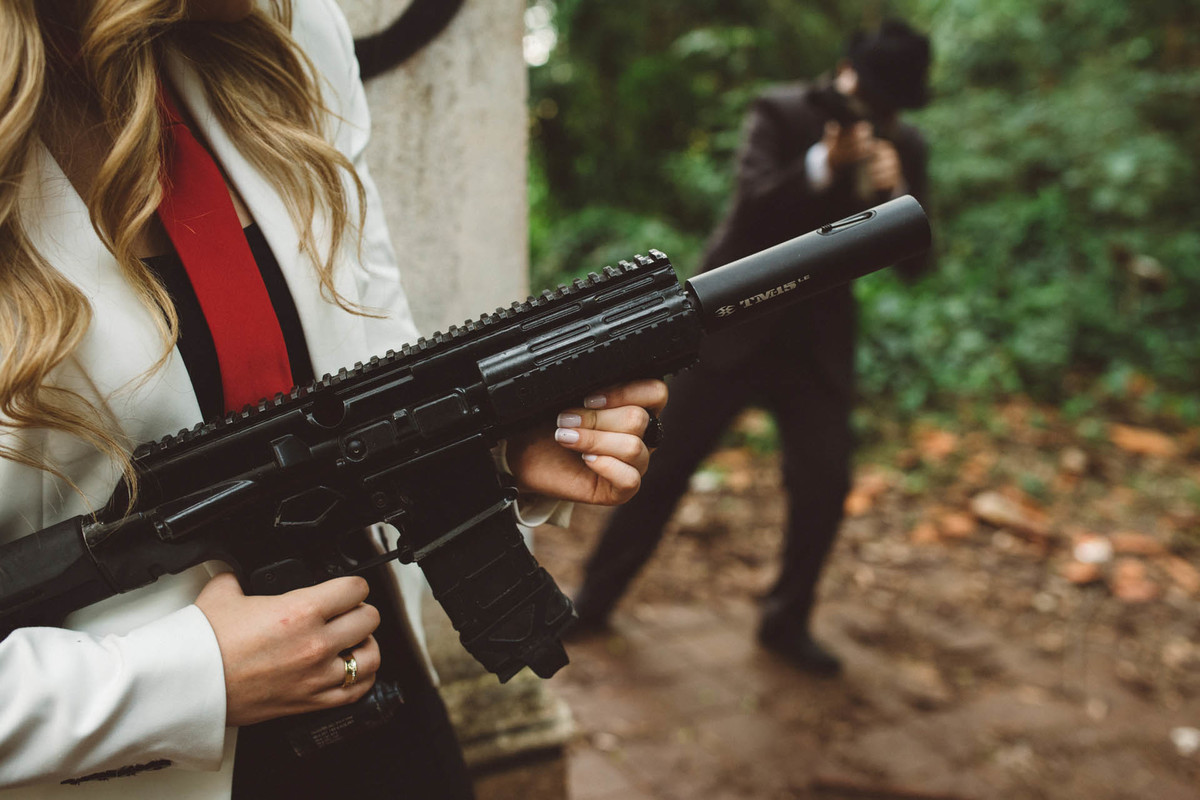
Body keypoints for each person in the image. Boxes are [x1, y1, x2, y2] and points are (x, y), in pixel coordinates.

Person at [0, 1, 666, 797]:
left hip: (381, 704)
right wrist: (184, 681)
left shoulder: (293, 34)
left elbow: (360, 373)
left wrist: (488, 449)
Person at [571, 19, 933, 675]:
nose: (879, 111)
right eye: (873, 94)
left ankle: (785, 620)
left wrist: (893, 192)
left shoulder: (905, 144)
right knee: (661, 467)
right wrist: (824, 165)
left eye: (891, 103)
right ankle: (592, 601)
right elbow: (752, 209)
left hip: (817, 345)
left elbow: (916, 264)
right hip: (732, 329)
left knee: (825, 484)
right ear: (847, 72)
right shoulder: (781, 111)